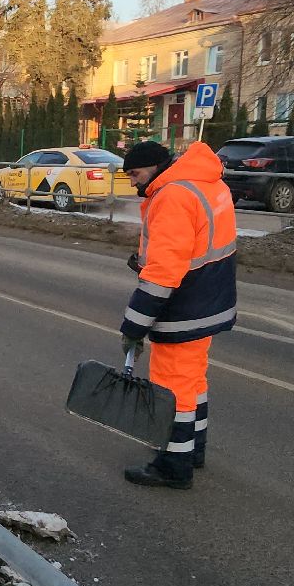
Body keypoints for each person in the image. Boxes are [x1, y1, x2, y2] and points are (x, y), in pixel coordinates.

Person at [116, 139, 237, 488]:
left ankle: (174, 465)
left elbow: (165, 273)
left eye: (136, 174)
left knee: (173, 390)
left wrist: (134, 328)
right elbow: (197, 245)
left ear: (154, 166)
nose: (134, 183)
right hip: (210, 300)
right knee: (194, 382)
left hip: (184, 308)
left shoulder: (172, 196)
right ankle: (193, 449)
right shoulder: (207, 182)